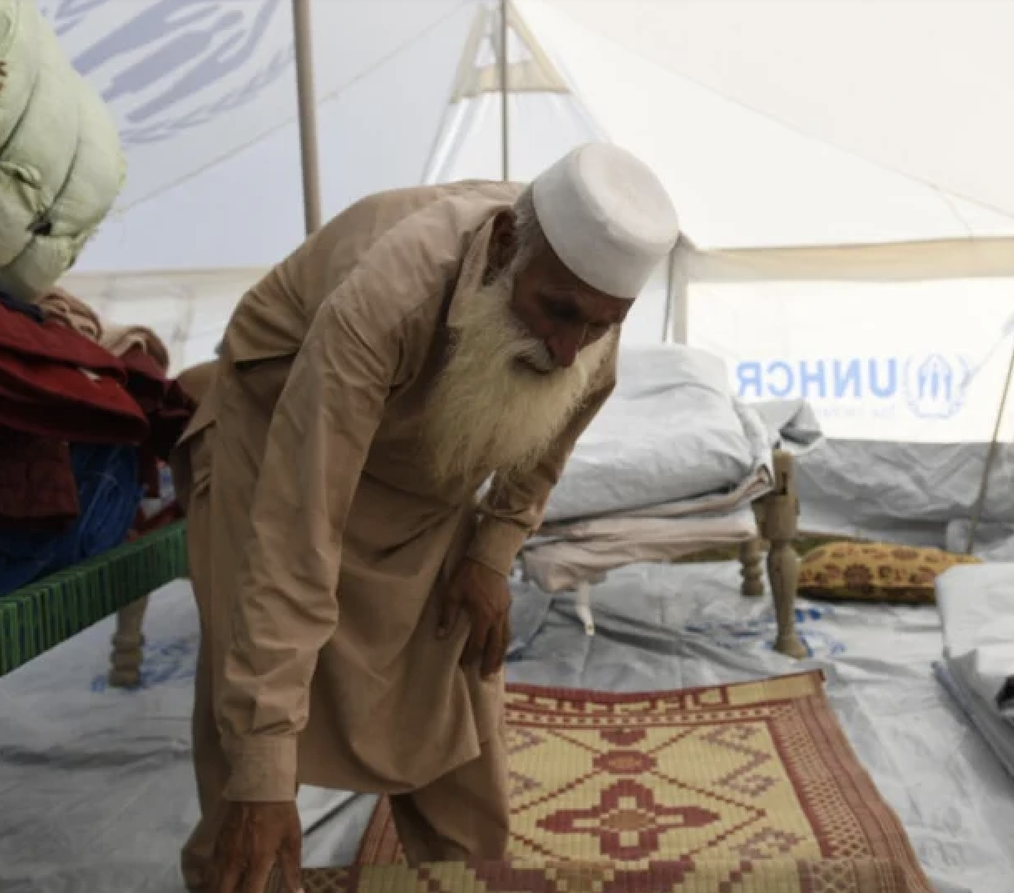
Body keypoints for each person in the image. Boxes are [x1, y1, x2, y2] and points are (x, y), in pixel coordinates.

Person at [170, 143, 680, 893]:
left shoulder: (588, 312)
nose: (566, 349)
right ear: (505, 246)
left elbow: (550, 436)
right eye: (558, 312)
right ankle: (239, 862)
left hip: (421, 482)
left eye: (600, 325)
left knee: (454, 695)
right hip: (277, 435)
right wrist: (265, 773)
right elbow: (296, 530)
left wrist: (490, 553)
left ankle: (462, 877)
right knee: (248, 711)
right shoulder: (388, 297)